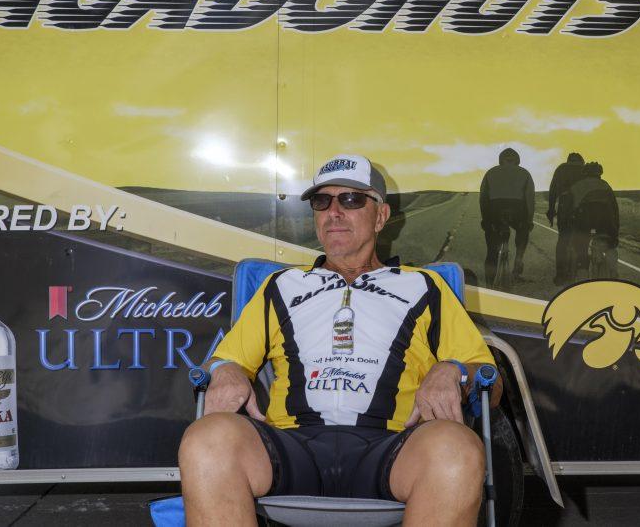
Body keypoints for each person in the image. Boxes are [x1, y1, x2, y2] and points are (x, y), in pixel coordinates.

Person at [178, 154, 502, 527]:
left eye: (350, 200)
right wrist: (224, 367)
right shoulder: (280, 286)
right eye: (322, 201)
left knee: (457, 450)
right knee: (206, 439)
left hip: (393, 448)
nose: (334, 211)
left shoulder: (425, 287)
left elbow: (489, 386)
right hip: (290, 446)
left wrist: (455, 369)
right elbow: (217, 364)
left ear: (380, 216)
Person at [479, 147, 535, 285]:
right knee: (523, 231)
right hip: (518, 210)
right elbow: (530, 199)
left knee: (492, 249)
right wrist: (529, 221)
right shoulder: (525, 173)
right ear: (517, 160)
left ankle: (489, 283)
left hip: (494, 210)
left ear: (501, 160)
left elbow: (483, 198)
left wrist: (485, 219)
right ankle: (518, 261)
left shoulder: (490, 172)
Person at [562, 162, 619, 280]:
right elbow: (615, 211)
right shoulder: (606, 185)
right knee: (610, 245)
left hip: (583, 222)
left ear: (585, 173)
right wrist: (615, 233)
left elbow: (567, 210)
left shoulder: (577, 186)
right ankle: (612, 267)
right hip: (606, 223)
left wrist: (566, 227)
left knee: (581, 250)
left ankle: (582, 275)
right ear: (599, 173)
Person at [547, 152, 586, 284]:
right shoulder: (585, 169)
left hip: (565, 206)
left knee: (563, 240)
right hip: (584, 208)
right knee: (583, 239)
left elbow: (552, 191)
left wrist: (551, 210)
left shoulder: (561, 169)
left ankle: (560, 275)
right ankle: (583, 270)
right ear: (581, 161)